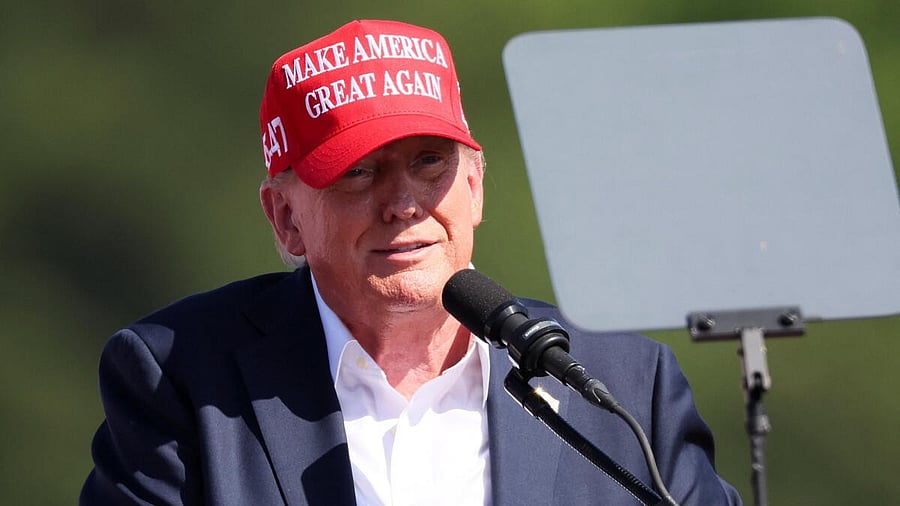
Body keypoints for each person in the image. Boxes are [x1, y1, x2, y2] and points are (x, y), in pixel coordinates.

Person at [80, 19, 742, 505]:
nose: (402, 204)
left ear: (474, 187)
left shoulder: (623, 387)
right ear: (286, 218)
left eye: (430, 163)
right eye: (358, 172)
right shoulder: (179, 375)